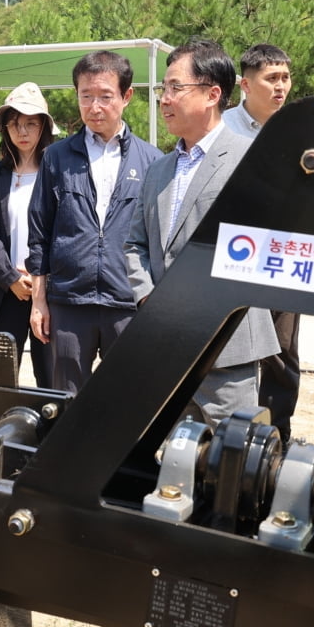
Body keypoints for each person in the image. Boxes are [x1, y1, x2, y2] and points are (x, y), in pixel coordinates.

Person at [125, 39, 279, 426]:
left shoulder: (251, 159)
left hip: (227, 347)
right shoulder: (159, 169)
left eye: (176, 87)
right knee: (174, 464)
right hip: (166, 347)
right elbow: (135, 244)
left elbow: (264, 248)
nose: (164, 99)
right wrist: (147, 298)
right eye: (164, 88)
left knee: (232, 466)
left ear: (213, 94)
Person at [27, 51, 163, 394]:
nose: (94, 106)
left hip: (127, 303)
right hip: (69, 304)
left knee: (128, 399)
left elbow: (158, 238)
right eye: (85, 96)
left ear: (126, 96)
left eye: (105, 96)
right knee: (67, 401)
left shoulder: (152, 161)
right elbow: (39, 233)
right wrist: (39, 302)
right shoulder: (56, 157)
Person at [222, 43, 301, 441]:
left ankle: (276, 436)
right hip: (233, 257)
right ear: (245, 84)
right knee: (234, 347)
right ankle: (233, 433)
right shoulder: (222, 129)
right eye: (272, 78)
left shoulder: (300, 128)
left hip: (284, 257)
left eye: (285, 78)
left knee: (282, 352)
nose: (281, 87)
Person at [0, 83, 59, 387]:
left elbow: (64, 232)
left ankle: (50, 436)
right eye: (14, 124)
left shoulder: (59, 172)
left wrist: (42, 280)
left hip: (49, 293)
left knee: (51, 381)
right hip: (5, 290)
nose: (22, 131)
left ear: (44, 127)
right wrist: (11, 277)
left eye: (30, 123)